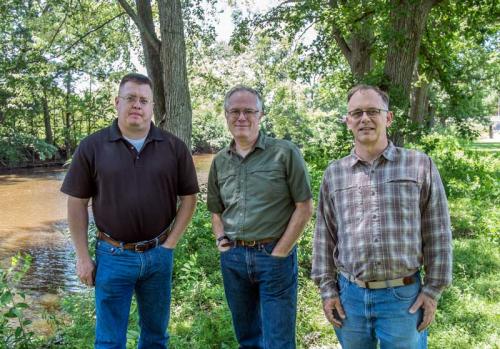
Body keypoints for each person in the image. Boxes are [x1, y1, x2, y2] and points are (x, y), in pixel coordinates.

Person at [61, 73, 199, 349]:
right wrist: (82, 257)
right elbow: (76, 203)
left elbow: (190, 198)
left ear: (152, 108)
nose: (137, 105)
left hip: (158, 256)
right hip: (112, 256)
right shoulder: (93, 146)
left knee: (156, 337)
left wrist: (170, 245)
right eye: (131, 98)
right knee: (109, 340)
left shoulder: (174, 147)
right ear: (117, 102)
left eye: (143, 100)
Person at [311, 84, 452, 349]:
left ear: (388, 118)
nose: (365, 118)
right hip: (349, 298)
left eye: (373, 111)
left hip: (403, 298)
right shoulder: (335, 173)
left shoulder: (419, 165)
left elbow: (438, 232)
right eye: (357, 113)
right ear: (348, 122)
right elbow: (324, 237)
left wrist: (433, 290)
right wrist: (328, 290)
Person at [207, 85, 313, 349]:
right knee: (247, 338)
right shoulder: (220, 161)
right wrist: (221, 240)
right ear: (226, 115)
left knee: (279, 339)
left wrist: (281, 251)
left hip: (274, 257)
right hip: (234, 259)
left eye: (249, 111)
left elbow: (304, 206)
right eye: (235, 111)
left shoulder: (285, 152)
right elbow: (216, 210)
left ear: (261, 115)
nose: (241, 117)